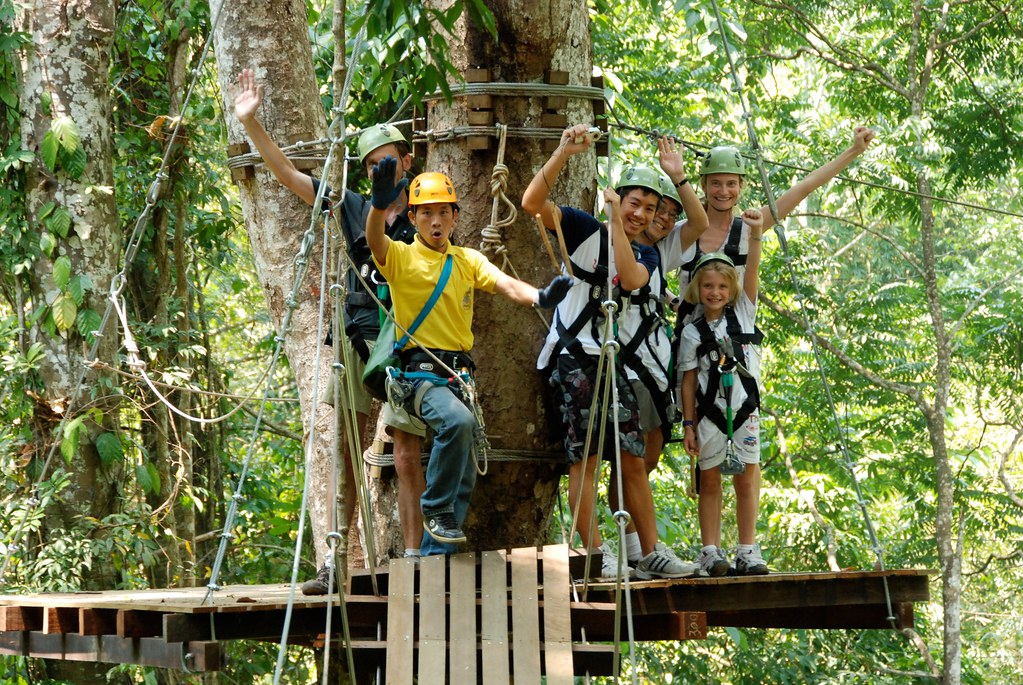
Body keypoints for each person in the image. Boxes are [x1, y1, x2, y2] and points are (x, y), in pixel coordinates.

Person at [232, 68, 428, 592]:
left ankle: (413, 558)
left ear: (407, 162)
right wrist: (251, 124)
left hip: (407, 342)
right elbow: (291, 179)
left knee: (407, 451)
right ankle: (333, 565)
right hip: (357, 335)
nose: (381, 169)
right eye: (371, 165)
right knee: (343, 449)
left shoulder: (430, 212)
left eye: (388, 161)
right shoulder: (355, 206)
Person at [522, 123, 699, 580]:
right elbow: (531, 203)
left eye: (650, 208)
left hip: (610, 358)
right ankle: (598, 555)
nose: (641, 214)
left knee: (632, 455)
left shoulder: (647, 253)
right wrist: (562, 152)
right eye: (634, 203)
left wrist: (619, 222)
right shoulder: (582, 229)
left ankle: (651, 551)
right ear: (618, 196)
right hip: (573, 355)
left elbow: (630, 277)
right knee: (587, 459)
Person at [367, 159, 571, 549]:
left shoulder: (466, 260)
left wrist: (541, 297)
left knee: (464, 472)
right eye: (427, 213)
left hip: (458, 376)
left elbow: (506, 285)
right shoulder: (400, 257)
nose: (436, 221)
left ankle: (435, 556)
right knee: (457, 424)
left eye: (444, 211)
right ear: (413, 217)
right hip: (421, 375)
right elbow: (376, 242)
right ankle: (436, 509)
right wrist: (378, 206)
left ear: (455, 216)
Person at [611, 146, 709, 568]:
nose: (662, 219)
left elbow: (700, 222)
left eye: (667, 213)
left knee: (647, 456)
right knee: (632, 456)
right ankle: (639, 547)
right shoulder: (621, 243)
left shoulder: (664, 249)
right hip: (625, 363)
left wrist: (680, 177)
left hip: (652, 366)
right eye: (656, 211)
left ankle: (633, 543)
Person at [671, 127, 875, 329]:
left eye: (731, 183)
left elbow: (804, 187)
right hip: (687, 348)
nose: (724, 191)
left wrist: (855, 149)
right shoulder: (684, 231)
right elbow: (649, 265)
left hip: (734, 346)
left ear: (741, 186)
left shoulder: (748, 228)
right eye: (716, 183)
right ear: (704, 185)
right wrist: (671, 301)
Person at [678, 233, 767, 577]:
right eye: (708, 286)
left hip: (745, 413)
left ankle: (747, 549)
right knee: (710, 481)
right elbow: (688, 381)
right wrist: (688, 424)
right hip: (709, 417)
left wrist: (755, 237)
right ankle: (710, 551)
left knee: (746, 479)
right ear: (697, 290)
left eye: (722, 287)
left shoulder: (743, 315)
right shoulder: (691, 333)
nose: (715, 293)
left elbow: (753, 271)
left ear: (732, 291)